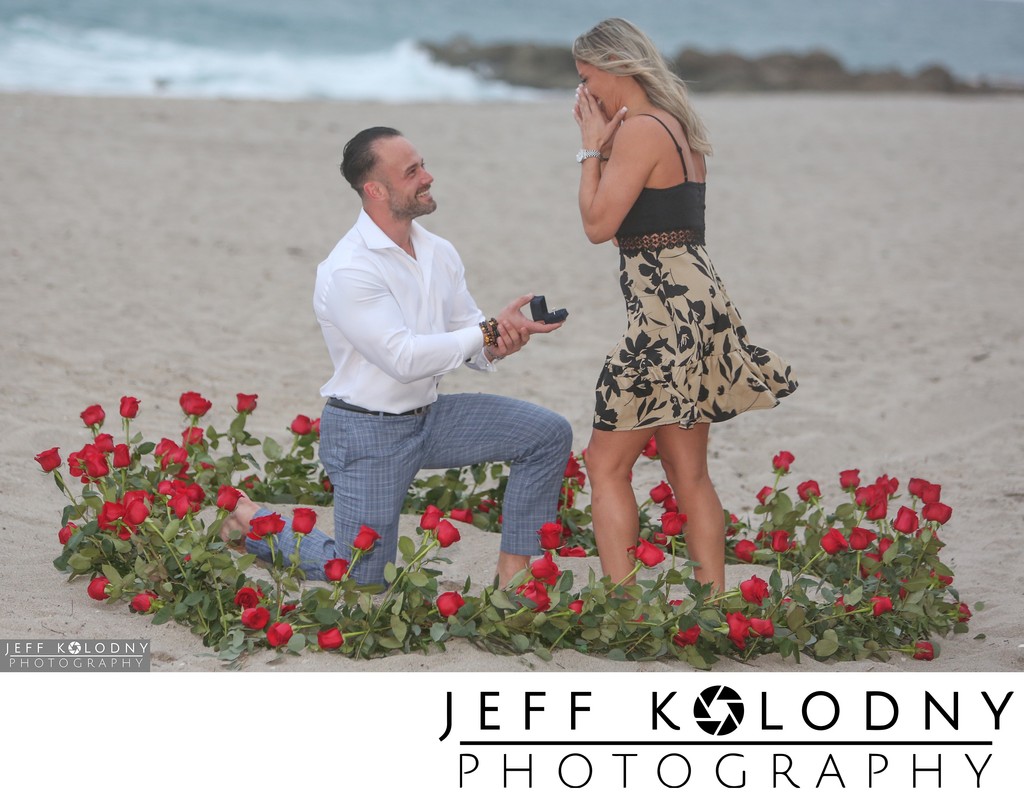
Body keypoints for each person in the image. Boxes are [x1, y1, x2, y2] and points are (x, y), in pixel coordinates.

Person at [227, 126, 573, 588]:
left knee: (547, 434)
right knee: (363, 578)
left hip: (430, 418)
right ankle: (252, 524)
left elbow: (466, 336)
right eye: (412, 172)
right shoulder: (350, 268)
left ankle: (514, 578)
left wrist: (501, 339)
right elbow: (405, 359)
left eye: (423, 165)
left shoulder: (439, 251)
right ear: (375, 189)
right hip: (366, 432)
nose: (428, 176)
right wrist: (482, 332)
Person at [571, 19, 797, 590]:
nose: (583, 93)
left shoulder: (641, 132)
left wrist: (589, 151)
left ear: (616, 66)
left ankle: (622, 604)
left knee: (604, 463)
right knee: (686, 471)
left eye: (586, 76)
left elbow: (598, 225)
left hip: (666, 311)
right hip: (696, 298)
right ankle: (713, 603)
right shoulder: (675, 125)